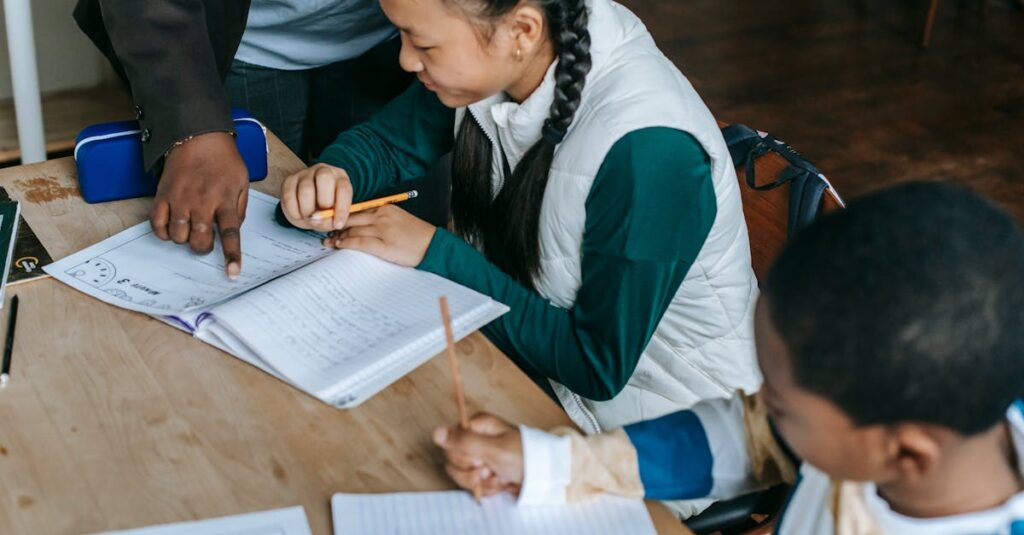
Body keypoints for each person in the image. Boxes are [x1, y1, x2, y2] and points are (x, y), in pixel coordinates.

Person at [278, 0, 761, 499]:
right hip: (520, 363)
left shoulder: (650, 154)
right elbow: (389, 143)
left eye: (421, 43)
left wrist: (436, 254)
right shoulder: (501, 57)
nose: (404, 60)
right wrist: (335, 174)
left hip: (658, 434)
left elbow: (596, 366)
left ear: (522, 30)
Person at [432, 182, 1024, 533]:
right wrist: (547, 464)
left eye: (782, 405)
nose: (757, 405)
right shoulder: (902, 418)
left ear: (908, 455)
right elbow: (751, 437)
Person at [73, 0, 441, 279]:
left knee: (381, 267)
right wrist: (192, 121)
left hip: (390, 35)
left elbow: (394, 144)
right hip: (239, 36)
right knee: (258, 231)